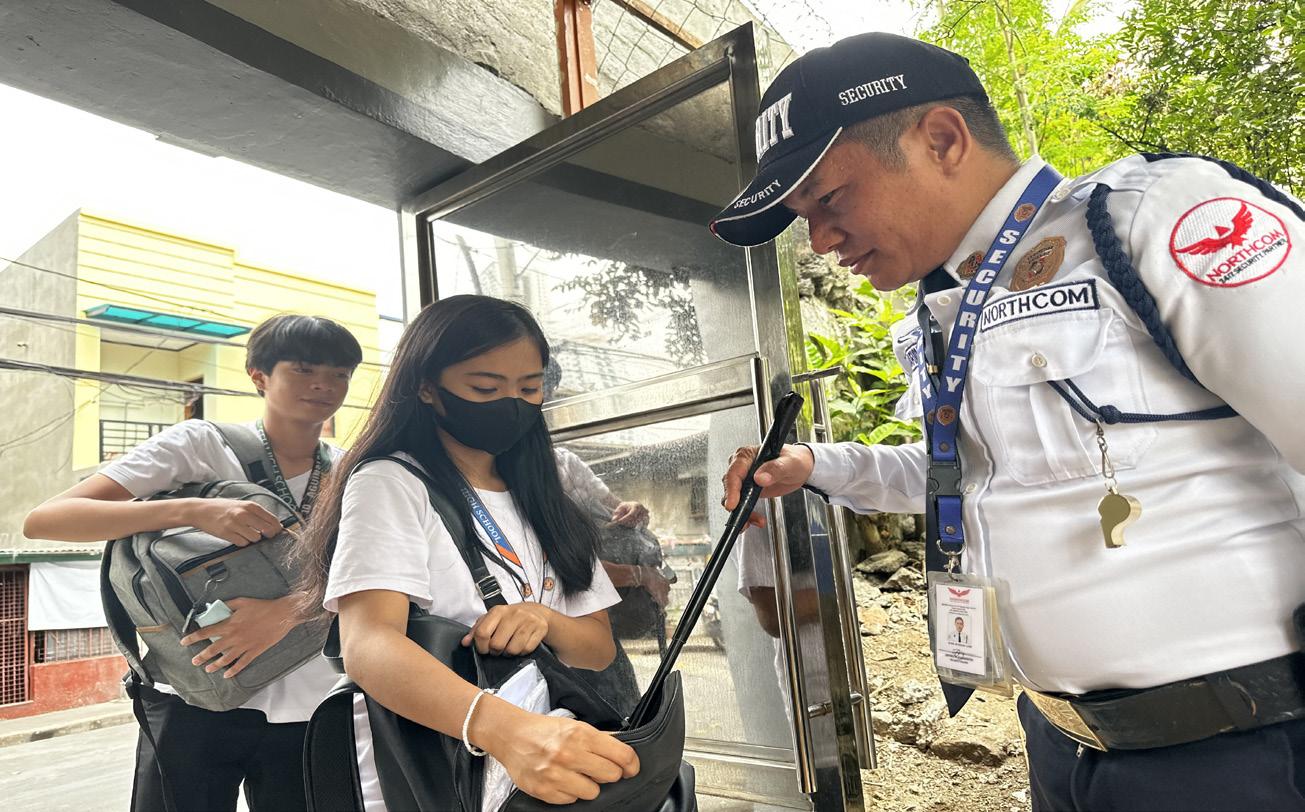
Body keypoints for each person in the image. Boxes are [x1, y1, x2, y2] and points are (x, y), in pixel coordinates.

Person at [714, 32, 1305, 812]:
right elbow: (972, 474)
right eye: (801, 218)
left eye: (828, 199)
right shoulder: (943, 307)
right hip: (1061, 746)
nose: (820, 241)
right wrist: (816, 467)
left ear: (940, 139)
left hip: (1230, 753)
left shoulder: (1149, 220)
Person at [294, 294, 639, 809]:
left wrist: (542, 619)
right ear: (427, 387)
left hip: (554, 769)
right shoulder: (392, 482)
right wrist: (506, 731)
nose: (512, 404)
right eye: (485, 388)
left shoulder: (546, 496)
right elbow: (367, 644)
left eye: (529, 388)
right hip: (439, 772)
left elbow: (598, 649)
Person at [23, 314, 363, 811]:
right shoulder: (201, 444)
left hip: (314, 701)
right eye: (304, 369)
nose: (323, 385)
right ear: (259, 376)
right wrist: (192, 510)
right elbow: (47, 520)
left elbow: (371, 580)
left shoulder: (351, 469)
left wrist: (287, 614)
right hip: (191, 695)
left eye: (339, 374)